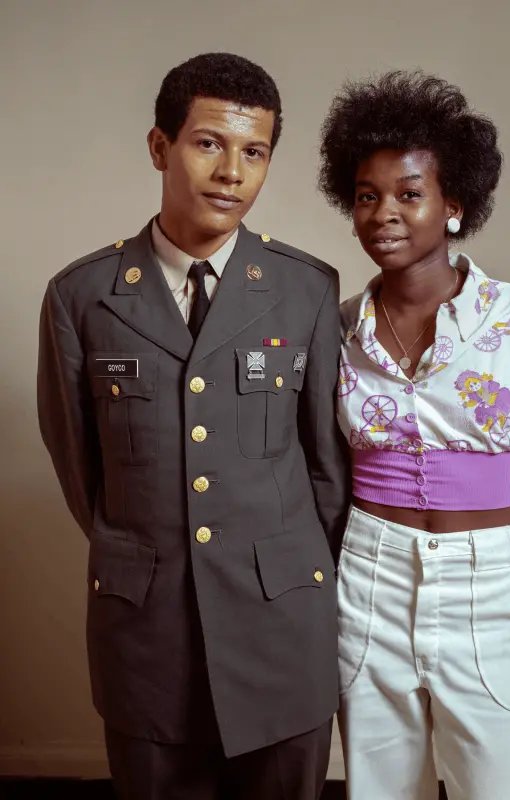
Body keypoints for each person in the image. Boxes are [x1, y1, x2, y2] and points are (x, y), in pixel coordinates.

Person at [37, 52, 350, 800]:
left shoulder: (305, 289)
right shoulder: (82, 296)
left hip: (280, 627)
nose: (231, 172)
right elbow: (81, 468)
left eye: (254, 152)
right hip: (148, 635)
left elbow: (326, 470)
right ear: (159, 147)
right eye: (208, 143)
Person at [318, 70, 510, 799]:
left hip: (487, 589)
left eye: (409, 194)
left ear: (453, 205)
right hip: (366, 583)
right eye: (366, 195)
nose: (384, 213)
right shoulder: (333, 328)